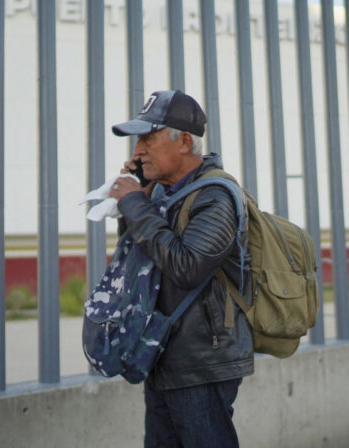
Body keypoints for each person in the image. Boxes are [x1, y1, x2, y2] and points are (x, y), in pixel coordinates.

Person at [108, 89, 253, 448]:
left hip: (201, 361)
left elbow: (187, 267)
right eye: (137, 139)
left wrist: (135, 205)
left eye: (148, 138)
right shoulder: (161, 193)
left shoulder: (216, 197)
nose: (138, 149)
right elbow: (140, 260)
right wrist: (137, 199)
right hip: (161, 353)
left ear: (185, 141)